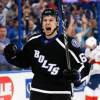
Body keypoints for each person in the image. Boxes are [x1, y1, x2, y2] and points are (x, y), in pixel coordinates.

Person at [4, 8, 89, 100]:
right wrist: (11, 56)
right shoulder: (33, 41)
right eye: (45, 20)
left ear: (57, 23)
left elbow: (84, 64)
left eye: (51, 20)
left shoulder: (68, 42)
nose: (47, 23)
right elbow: (24, 61)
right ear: (41, 23)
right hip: (37, 91)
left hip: (61, 92)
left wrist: (77, 75)